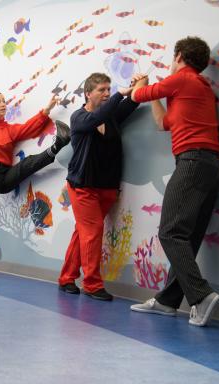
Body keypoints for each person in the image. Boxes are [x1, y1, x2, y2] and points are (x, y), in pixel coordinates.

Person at [130, 36, 219, 326]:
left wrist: (140, 84)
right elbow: (163, 124)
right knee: (188, 236)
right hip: (208, 164)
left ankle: (201, 295)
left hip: (192, 161)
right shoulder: (198, 87)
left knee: (170, 232)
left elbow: (135, 97)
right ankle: (168, 301)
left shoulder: (182, 79)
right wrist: (154, 94)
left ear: (179, 55)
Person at [0, 90, 70, 276]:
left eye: (4, 101)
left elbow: (28, 128)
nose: (3, 105)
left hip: (6, 174)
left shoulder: (10, 129)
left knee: (28, 163)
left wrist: (47, 109)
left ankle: (58, 145)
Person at [57, 73, 139, 301]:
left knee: (83, 233)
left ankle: (66, 278)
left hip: (107, 187)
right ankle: (92, 284)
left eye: (108, 90)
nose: (106, 94)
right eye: (101, 90)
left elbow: (131, 103)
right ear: (88, 94)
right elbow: (98, 117)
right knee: (92, 233)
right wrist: (119, 96)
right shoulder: (80, 117)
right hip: (83, 186)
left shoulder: (111, 117)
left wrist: (136, 87)